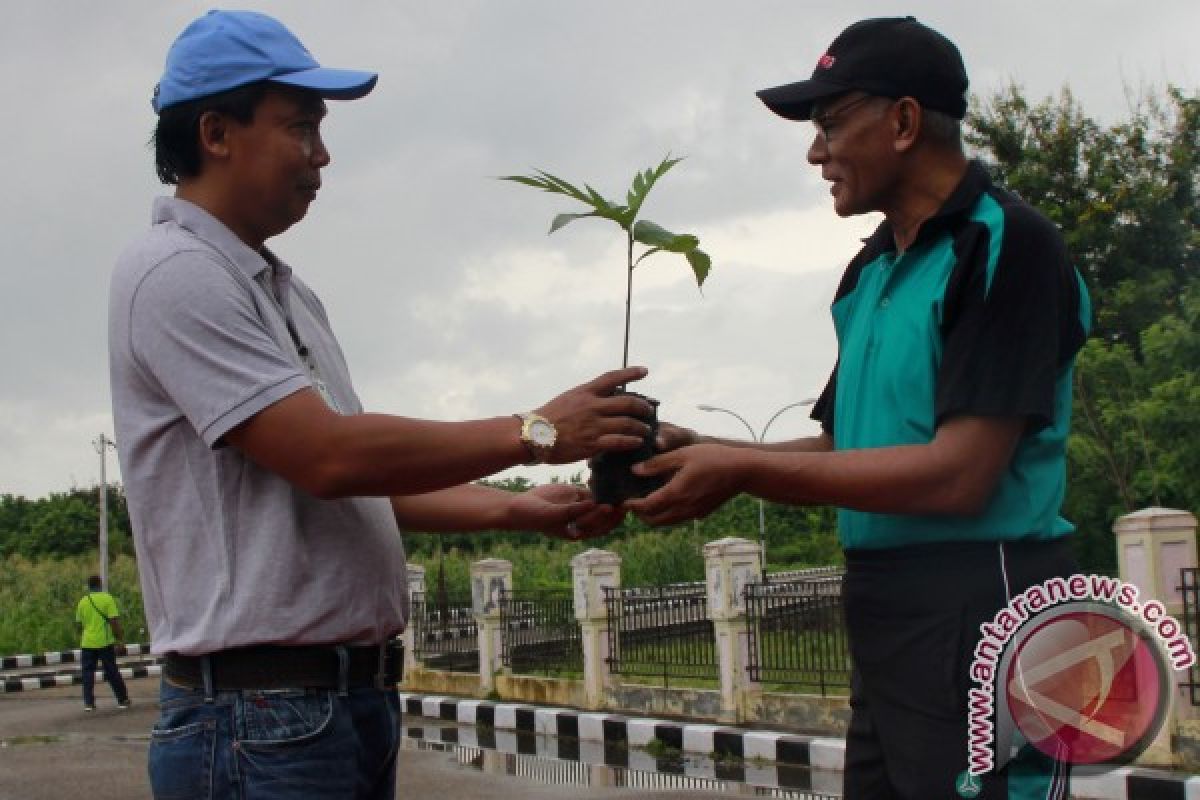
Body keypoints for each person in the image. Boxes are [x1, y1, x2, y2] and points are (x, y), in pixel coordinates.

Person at [109, 10, 650, 799]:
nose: (321, 154)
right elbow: (328, 456)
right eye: (300, 127)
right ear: (217, 132)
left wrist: (513, 511)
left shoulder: (283, 294)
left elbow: (360, 478)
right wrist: (535, 431)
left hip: (334, 704)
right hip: (260, 715)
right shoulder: (173, 273)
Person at [627, 16, 1091, 800]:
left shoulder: (1006, 246)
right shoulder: (871, 271)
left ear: (904, 121)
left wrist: (737, 468)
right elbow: (844, 445)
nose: (816, 153)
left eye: (832, 124)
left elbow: (959, 477)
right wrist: (698, 447)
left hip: (988, 598)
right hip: (886, 604)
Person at [75, 575, 131, 712]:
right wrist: (120, 639)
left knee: (87, 673)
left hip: (87, 643)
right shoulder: (107, 598)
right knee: (112, 672)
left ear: (88, 586)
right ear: (100, 584)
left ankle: (89, 703)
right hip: (105, 642)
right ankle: (122, 699)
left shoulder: (83, 601)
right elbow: (114, 622)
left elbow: (78, 624)